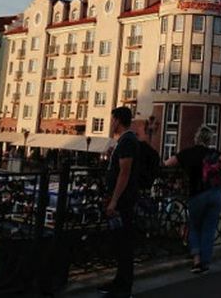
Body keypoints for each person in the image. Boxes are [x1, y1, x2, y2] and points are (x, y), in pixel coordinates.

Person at [165, 126, 221, 273]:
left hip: (197, 194)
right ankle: (205, 263)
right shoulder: (212, 153)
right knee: (209, 228)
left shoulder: (188, 153)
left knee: (194, 226)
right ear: (209, 140)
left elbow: (167, 164)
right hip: (215, 193)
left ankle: (196, 261)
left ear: (196, 138)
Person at [99, 107, 140, 298]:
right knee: (120, 244)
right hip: (123, 199)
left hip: (123, 201)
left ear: (117, 121)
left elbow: (125, 173)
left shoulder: (127, 141)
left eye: (112, 119)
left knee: (124, 244)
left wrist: (114, 201)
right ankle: (119, 282)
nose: (110, 123)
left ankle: (124, 287)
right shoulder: (125, 141)